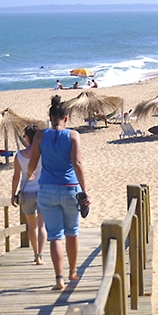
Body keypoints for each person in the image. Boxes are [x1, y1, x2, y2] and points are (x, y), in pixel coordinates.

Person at [28, 96, 90, 290]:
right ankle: (72, 272)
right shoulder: (73, 135)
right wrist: (85, 190)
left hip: (46, 189)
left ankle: (59, 279)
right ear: (67, 117)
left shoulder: (39, 136)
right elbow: (77, 163)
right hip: (70, 188)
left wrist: (29, 175)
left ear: (50, 116)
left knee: (55, 235)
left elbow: (33, 162)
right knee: (72, 232)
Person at [12, 125, 47, 266]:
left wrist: (12, 194)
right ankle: (40, 255)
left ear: (27, 137)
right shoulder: (43, 153)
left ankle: (35, 254)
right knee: (41, 226)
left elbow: (16, 177)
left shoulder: (19, 155)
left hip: (26, 193)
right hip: (42, 191)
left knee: (32, 226)